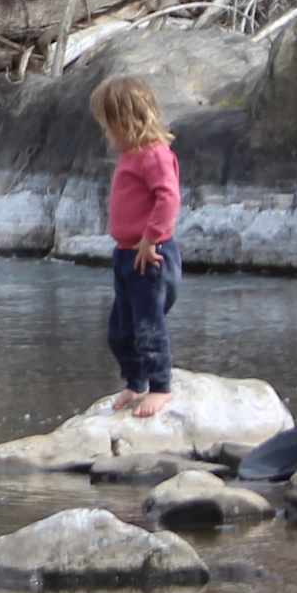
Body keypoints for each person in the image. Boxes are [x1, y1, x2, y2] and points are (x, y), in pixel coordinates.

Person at [95, 74, 183, 420]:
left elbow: (168, 198)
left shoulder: (155, 155)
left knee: (148, 325)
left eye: (109, 126)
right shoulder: (132, 155)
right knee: (120, 329)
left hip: (151, 255)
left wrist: (151, 238)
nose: (107, 134)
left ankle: (160, 386)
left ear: (127, 121)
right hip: (126, 253)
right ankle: (135, 381)